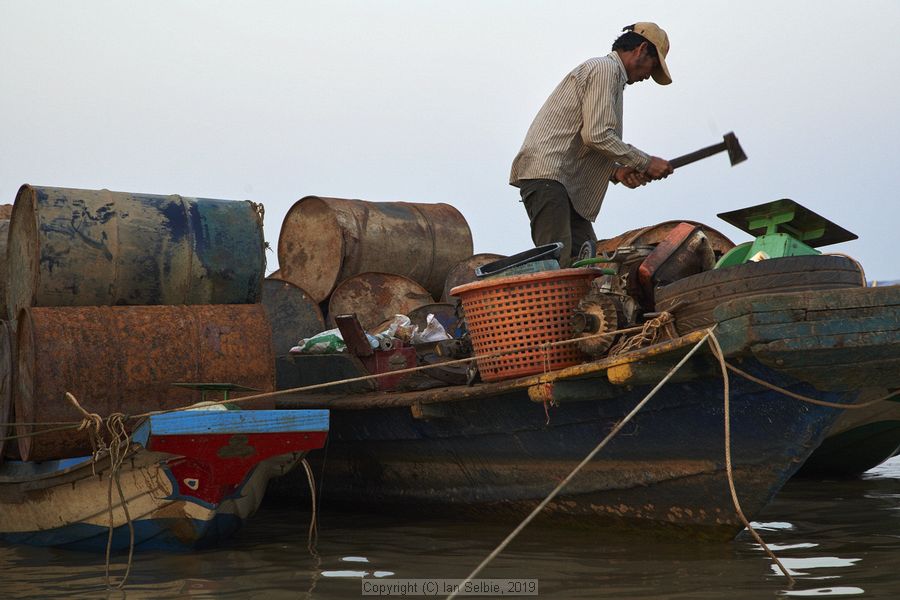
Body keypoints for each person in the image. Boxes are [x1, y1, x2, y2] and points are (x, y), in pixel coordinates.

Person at [509, 22, 675, 267]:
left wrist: (616, 170)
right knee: (557, 265)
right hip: (549, 177)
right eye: (654, 66)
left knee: (586, 262)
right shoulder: (605, 70)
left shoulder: (612, 78)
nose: (649, 76)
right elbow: (597, 135)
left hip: (565, 183)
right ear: (640, 50)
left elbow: (585, 138)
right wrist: (645, 162)